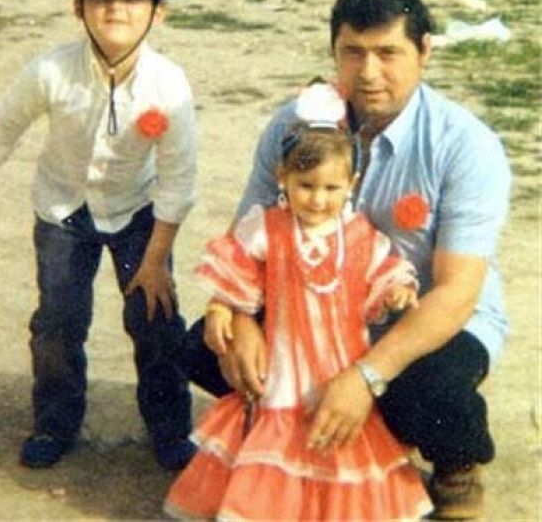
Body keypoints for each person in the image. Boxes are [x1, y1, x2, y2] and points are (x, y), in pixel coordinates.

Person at [183, 0, 511, 520]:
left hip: (420, 315)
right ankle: (300, 438)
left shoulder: (465, 145)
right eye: (353, 52)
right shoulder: (295, 125)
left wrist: (364, 377)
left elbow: (456, 293)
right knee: (206, 347)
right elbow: (249, 235)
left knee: (429, 392)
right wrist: (242, 322)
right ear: (334, 51)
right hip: (309, 314)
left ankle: (456, 464)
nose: (369, 72)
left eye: (388, 53)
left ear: (425, 51)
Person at [0, 0, 198, 470]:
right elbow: (0, 127)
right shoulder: (51, 70)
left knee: (154, 316)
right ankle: (55, 423)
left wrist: (155, 260)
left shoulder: (168, 83)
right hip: (63, 208)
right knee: (58, 322)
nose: (115, 9)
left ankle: (170, 427)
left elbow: (179, 179)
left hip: (139, 212)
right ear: (78, 8)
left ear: (158, 13)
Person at [165, 83, 432, 520]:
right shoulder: (268, 228)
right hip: (286, 358)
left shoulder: (360, 235)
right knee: (279, 425)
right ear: (283, 177)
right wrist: (222, 306)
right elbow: (237, 266)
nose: (318, 199)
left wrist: (395, 290)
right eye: (306, 185)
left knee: (337, 430)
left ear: (352, 184)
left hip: (340, 359)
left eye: (332, 187)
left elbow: (384, 270)